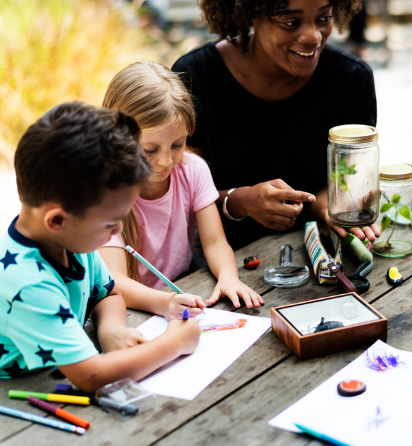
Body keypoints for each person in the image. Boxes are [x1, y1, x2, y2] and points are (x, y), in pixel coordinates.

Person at [0, 102, 200, 391]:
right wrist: (174, 343)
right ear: (57, 220)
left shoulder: (71, 239)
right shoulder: (27, 283)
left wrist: (111, 330)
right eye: (110, 223)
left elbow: (107, 292)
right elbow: (91, 376)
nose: (118, 231)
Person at [171, 0, 379, 250]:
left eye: (324, 18)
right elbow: (176, 194)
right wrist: (240, 201)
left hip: (315, 247)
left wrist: (332, 206)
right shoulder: (196, 75)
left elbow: (343, 179)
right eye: (291, 22)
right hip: (219, 253)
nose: (313, 36)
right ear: (251, 15)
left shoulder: (351, 79)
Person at [100, 62, 263, 319]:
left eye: (178, 144)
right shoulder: (104, 191)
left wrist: (229, 277)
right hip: (127, 309)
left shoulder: (193, 169)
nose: (166, 160)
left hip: (180, 291)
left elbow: (215, 241)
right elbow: (115, 280)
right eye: (149, 149)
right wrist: (165, 302)